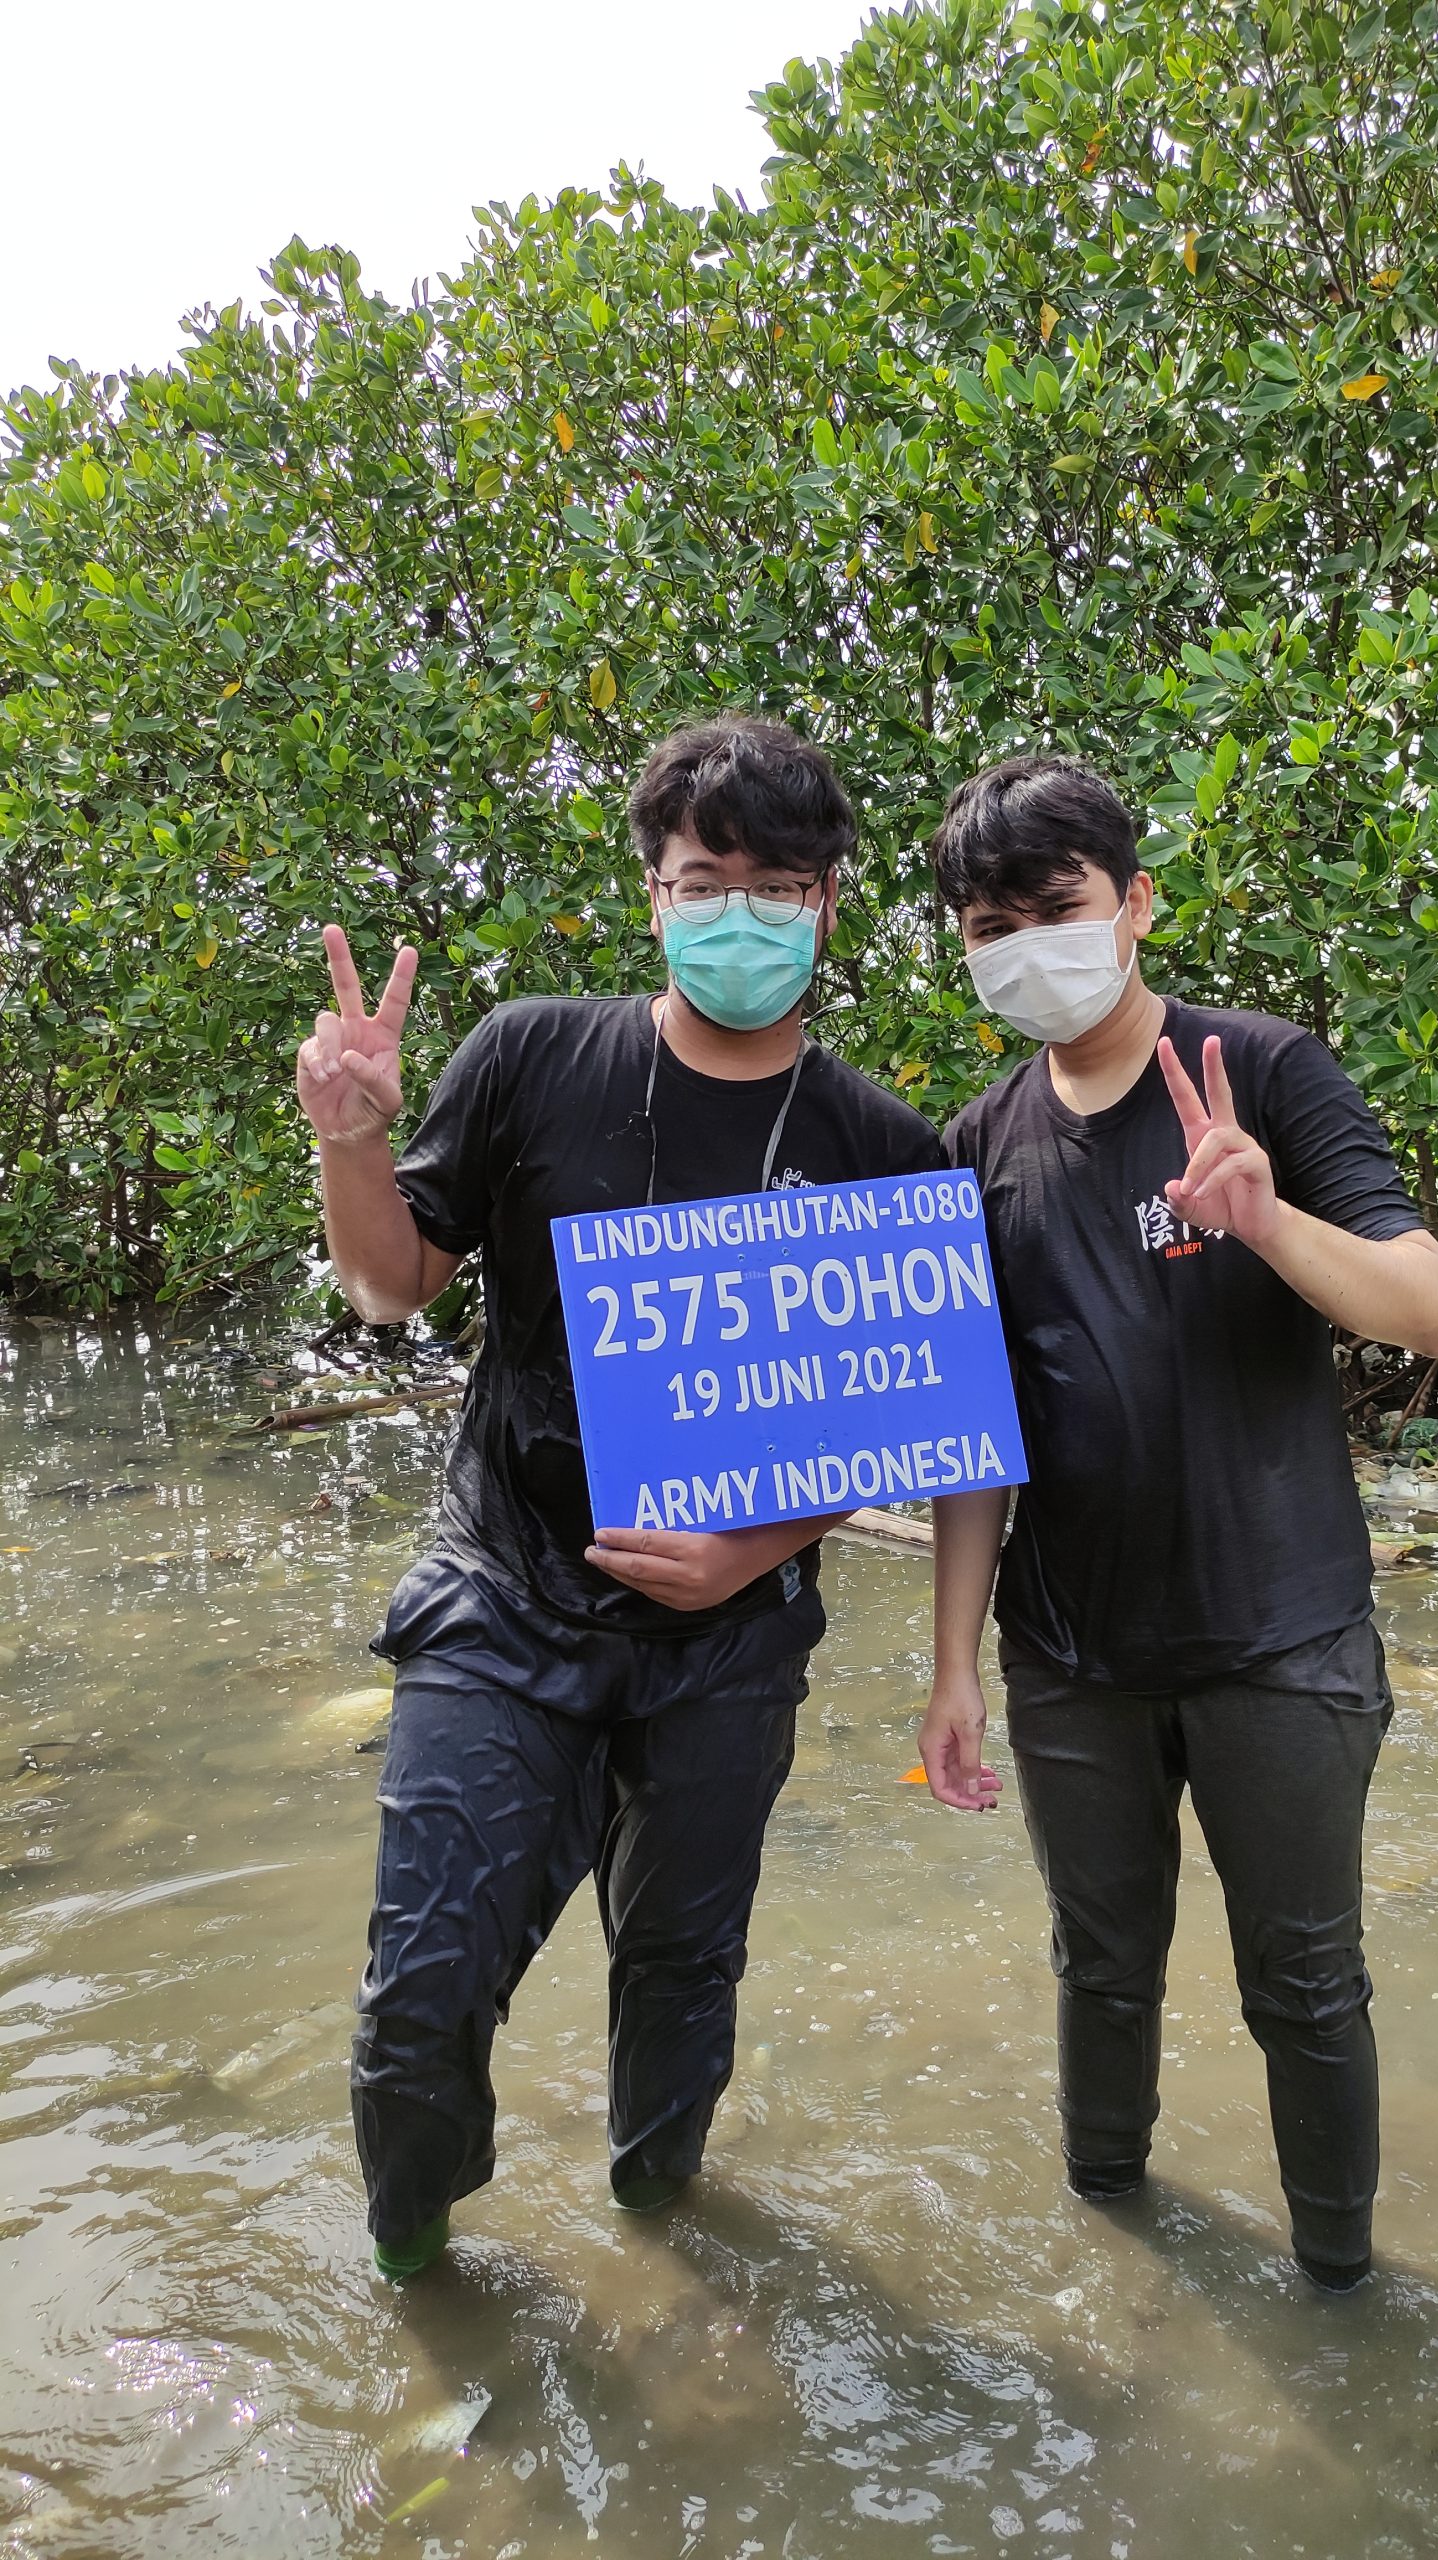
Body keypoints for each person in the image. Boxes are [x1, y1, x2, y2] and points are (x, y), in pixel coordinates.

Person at [297, 716, 943, 2279]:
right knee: (422, 1984)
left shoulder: (879, 1145)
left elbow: (904, 1434)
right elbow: (392, 1286)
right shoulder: (530, 1052)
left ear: (828, 905)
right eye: (704, 877)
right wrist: (349, 1141)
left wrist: (751, 1557)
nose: (741, 912)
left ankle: (661, 2235)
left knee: (678, 1970)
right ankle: (415, 2274)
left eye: (778, 884)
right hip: (504, 1593)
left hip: (731, 1644)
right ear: (651, 894)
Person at [917, 757, 1438, 2293]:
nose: (1029, 941)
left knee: (1302, 1984)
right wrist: (954, 1668)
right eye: (988, 921)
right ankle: (1113, 2247)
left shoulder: (1266, 1072)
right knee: (1101, 1969)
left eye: (1057, 906)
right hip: (1072, 1654)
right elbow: (976, 1447)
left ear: (1135, 901)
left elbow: (1425, 1315)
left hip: (1279, 1640)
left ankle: (1341, 2298)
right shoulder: (974, 1146)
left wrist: (1266, 1218)